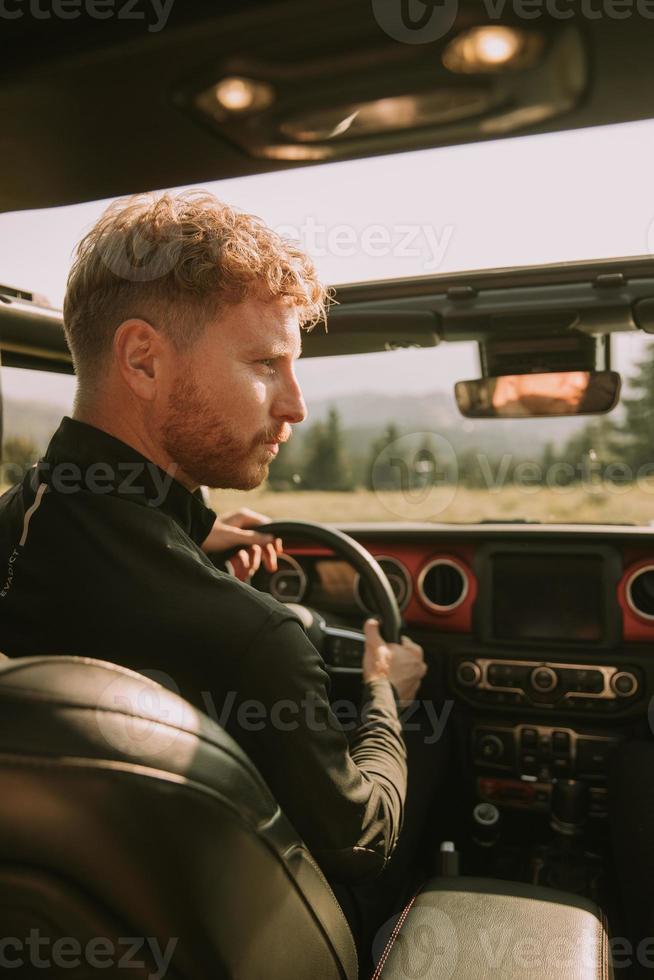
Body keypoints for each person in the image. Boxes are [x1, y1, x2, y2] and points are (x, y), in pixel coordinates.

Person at [0, 191, 443, 957]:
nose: (297, 406)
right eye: (266, 365)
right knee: (434, 744)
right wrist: (383, 691)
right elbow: (362, 838)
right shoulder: (251, 637)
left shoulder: (28, 515)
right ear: (141, 359)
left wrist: (194, 533)